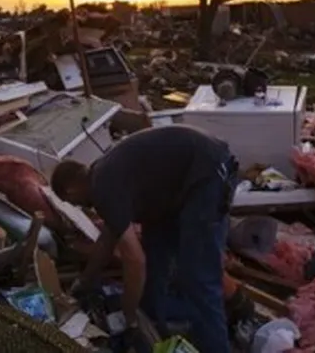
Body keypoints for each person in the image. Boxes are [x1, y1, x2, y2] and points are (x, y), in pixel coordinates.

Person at [50, 124, 239, 353]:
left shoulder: (103, 186)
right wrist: (86, 280)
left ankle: (216, 347)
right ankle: (154, 327)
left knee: (197, 275)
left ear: (70, 190)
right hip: (176, 190)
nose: (79, 207)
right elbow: (109, 238)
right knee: (155, 254)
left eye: (73, 203)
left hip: (205, 175)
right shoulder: (105, 175)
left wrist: (129, 318)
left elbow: (135, 261)